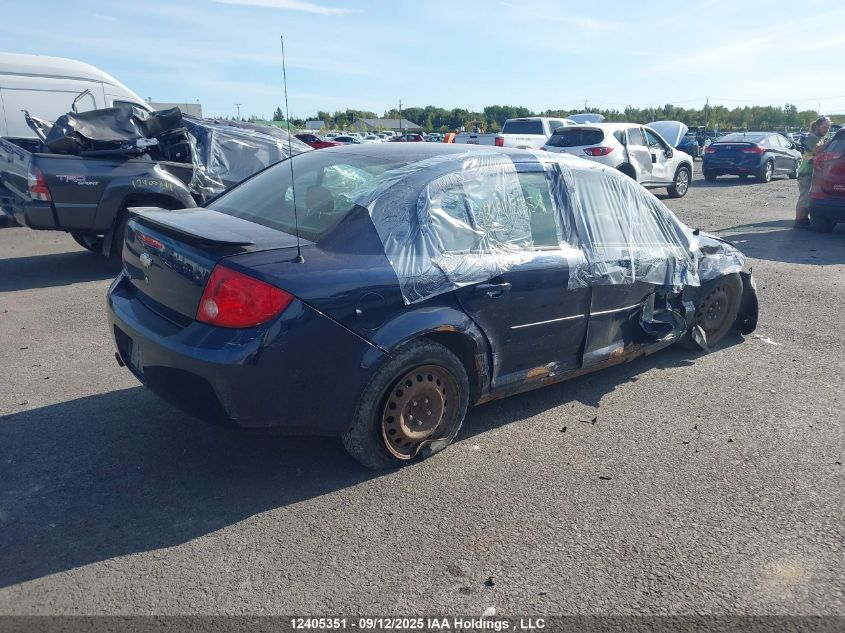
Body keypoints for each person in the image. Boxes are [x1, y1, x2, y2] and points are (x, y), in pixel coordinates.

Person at [795, 116, 831, 229]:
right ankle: (799, 221)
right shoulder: (812, 138)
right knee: (804, 197)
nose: (827, 130)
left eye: (828, 128)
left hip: (812, 172)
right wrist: (831, 142)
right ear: (817, 126)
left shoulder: (819, 139)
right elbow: (817, 150)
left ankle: (804, 220)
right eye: (825, 127)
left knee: (808, 198)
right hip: (806, 172)